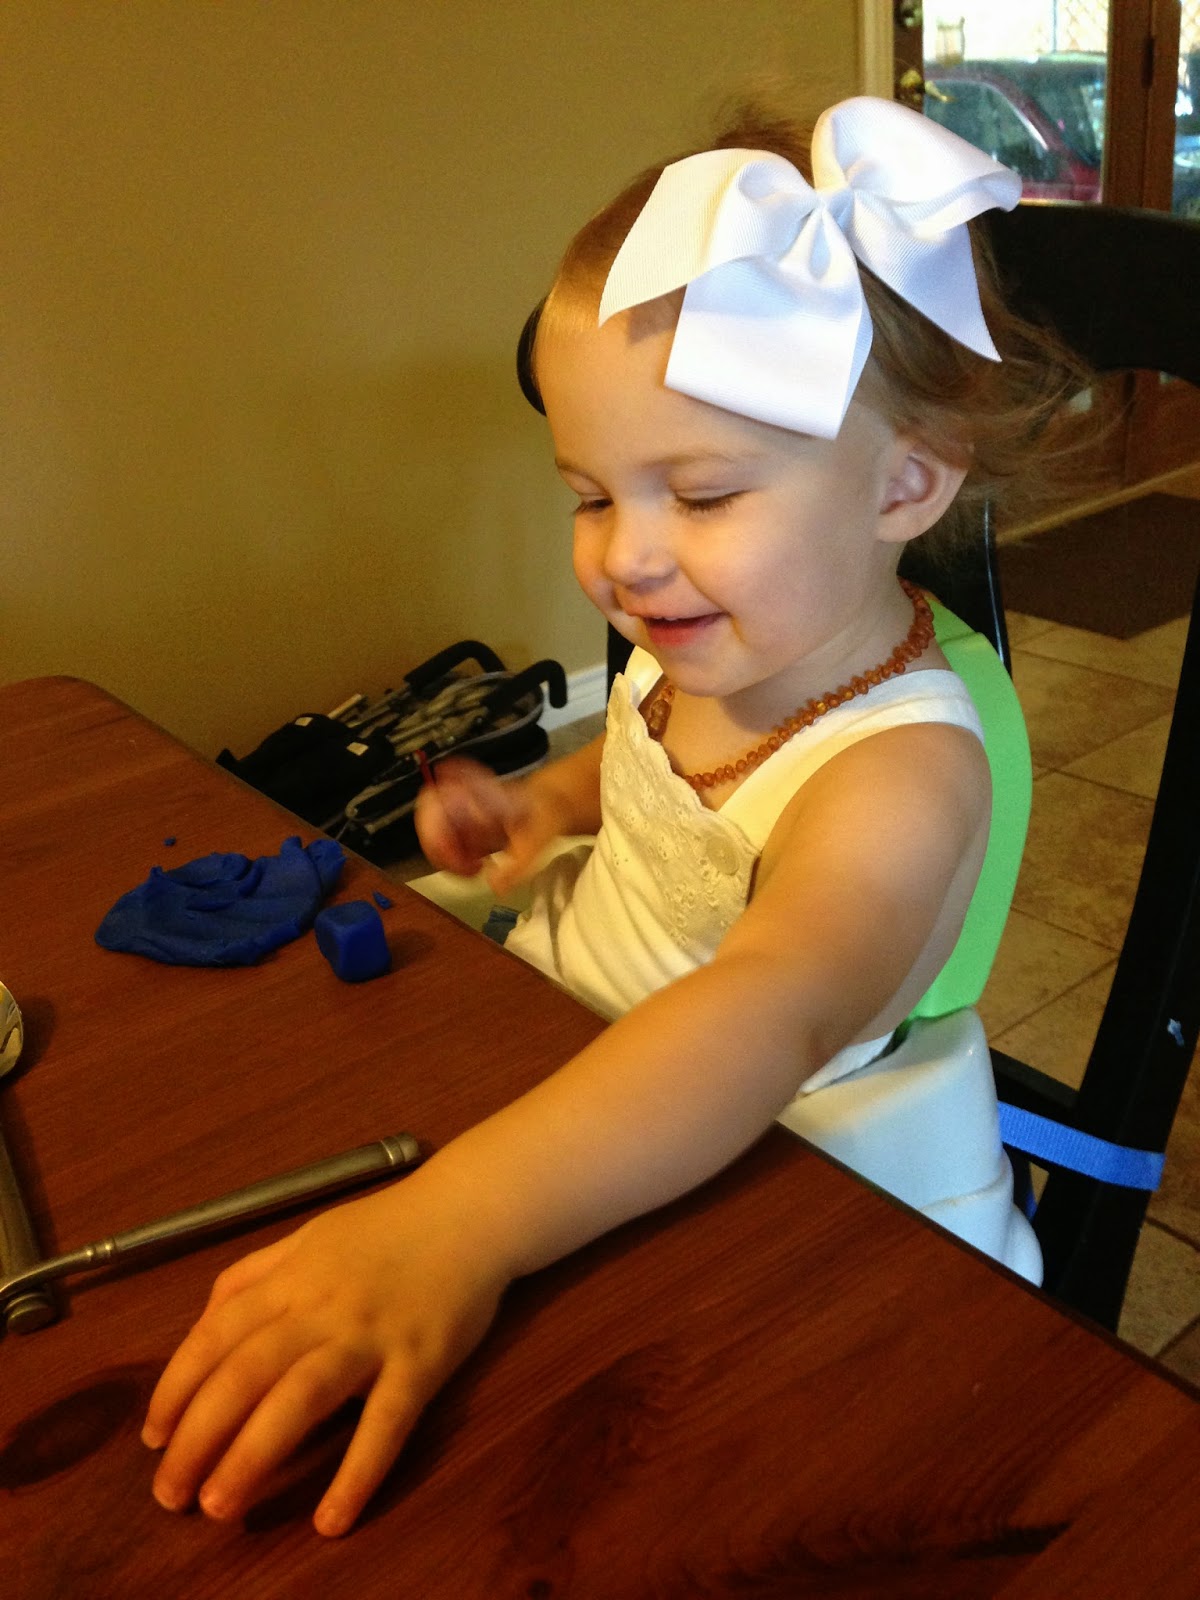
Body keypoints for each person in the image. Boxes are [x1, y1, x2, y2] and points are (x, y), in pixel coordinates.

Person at [142, 96, 1084, 1538]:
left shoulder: (900, 776)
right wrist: (544, 800)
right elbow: (646, 764)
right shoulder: (707, 644)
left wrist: (456, 1226)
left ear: (906, 482)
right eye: (592, 495)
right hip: (566, 1061)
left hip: (791, 1189)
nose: (627, 559)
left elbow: (762, 1014)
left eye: (699, 494)